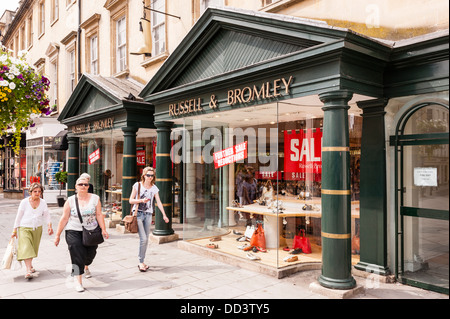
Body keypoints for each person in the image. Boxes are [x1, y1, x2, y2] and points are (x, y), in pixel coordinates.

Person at [54, 176, 109, 292]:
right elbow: (64, 218)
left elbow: (99, 214)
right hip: (73, 230)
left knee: (90, 255)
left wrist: (103, 229)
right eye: (80, 184)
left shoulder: (95, 198)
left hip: (91, 230)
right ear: (76, 187)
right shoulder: (70, 200)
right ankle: (78, 280)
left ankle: (86, 265)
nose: (83, 186)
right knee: (76, 253)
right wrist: (57, 235)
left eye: (85, 184)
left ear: (88, 186)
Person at [129, 167, 169, 272]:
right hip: (138, 214)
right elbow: (130, 200)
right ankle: (140, 261)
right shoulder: (137, 185)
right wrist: (141, 200)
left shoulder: (154, 188)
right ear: (144, 175)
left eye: (152, 176)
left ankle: (142, 261)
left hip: (148, 215)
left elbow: (159, 202)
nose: (150, 177)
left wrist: (164, 215)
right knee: (144, 239)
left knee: (146, 239)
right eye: (148, 175)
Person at [11, 183, 53, 279]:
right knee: (26, 248)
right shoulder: (24, 202)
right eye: (35, 191)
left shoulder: (43, 202)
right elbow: (19, 216)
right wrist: (14, 230)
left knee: (33, 248)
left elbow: (46, 215)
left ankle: (30, 266)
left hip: (37, 228)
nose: (37, 193)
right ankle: (28, 270)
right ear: (30, 192)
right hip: (24, 228)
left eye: (39, 191)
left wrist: (49, 226)